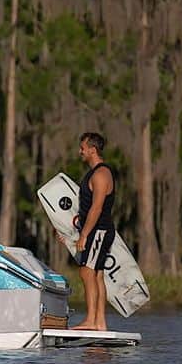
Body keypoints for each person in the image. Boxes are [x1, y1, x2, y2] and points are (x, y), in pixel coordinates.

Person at [72, 131, 116, 331]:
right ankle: (100, 323)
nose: (80, 151)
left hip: (99, 231)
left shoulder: (101, 174)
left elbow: (96, 208)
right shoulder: (96, 173)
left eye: (82, 148)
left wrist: (84, 235)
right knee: (96, 274)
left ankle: (91, 320)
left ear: (92, 150)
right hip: (96, 230)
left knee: (87, 272)